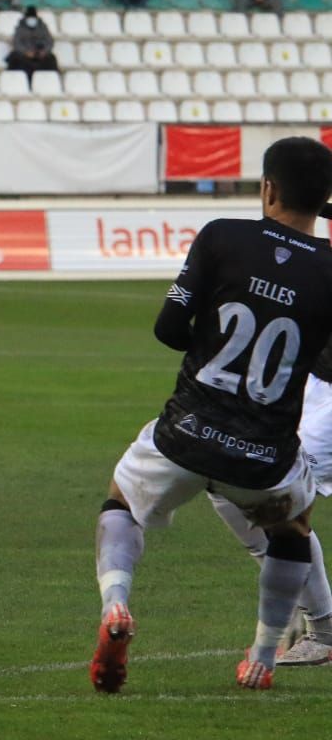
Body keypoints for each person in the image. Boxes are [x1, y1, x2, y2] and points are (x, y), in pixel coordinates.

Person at [90, 137, 332, 693]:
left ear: (267, 187)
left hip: (187, 431)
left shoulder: (223, 235)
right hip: (263, 454)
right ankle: (266, 655)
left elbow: (168, 329)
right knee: (290, 528)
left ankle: (117, 605)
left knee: (121, 502)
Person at [206, 330, 332, 666]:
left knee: (275, 500)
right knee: (232, 489)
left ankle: (321, 632)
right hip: (312, 379)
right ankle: (296, 606)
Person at [5, 7, 58, 80]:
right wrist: (26, 52)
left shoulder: (42, 27)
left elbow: (49, 41)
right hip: (24, 55)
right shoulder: (20, 28)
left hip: (40, 55)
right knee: (15, 58)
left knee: (51, 59)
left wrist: (44, 51)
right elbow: (16, 43)